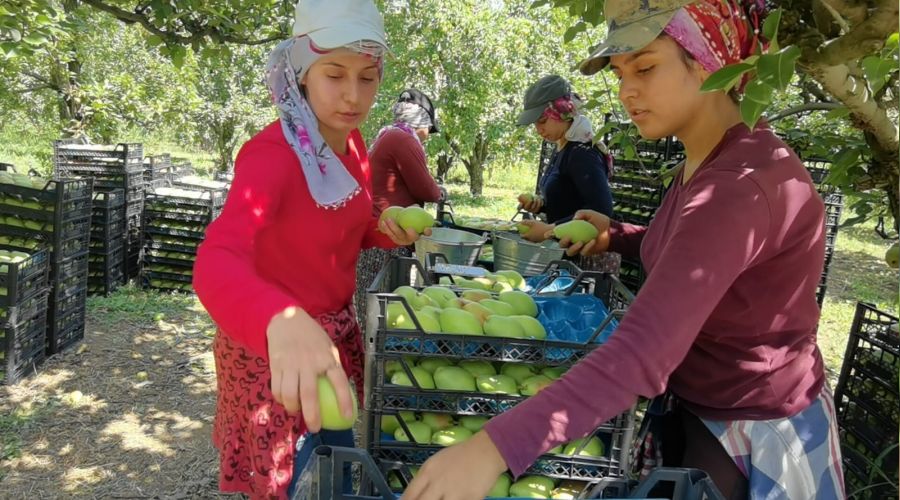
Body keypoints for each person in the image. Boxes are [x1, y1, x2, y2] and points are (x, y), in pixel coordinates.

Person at [402, 1, 845, 499]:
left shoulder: (738, 185)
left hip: (751, 429)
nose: (626, 90)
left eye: (645, 68)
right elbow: (692, 253)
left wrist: (493, 449)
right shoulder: (705, 158)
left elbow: (643, 352)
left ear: (707, 60)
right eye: (619, 73)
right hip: (703, 405)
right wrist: (617, 234)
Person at [192, 1, 424, 497]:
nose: (353, 95)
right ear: (302, 73)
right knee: (293, 480)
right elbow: (215, 260)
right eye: (334, 75)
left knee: (331, 470)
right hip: (275, 353)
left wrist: (386, 229)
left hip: (330, 341)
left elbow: (345, 224)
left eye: (367, 78)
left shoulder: (352, 144)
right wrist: (278, 318)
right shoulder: (272, 157)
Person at [354, 88, 444, 325]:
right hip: (385, 235)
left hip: (384, 230)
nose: (428, 135)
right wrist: (440, 192)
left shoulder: (390, 135)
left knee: (378, 309)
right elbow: (427, 190)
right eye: (429, 128)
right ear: (421, 122)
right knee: (381, 313)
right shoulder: (403, 140)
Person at [514, 74, 614, 244]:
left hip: (583, 253)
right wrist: (541, 205)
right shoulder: (562, 146)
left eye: (542, 121)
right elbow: (569, 202)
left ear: (561, 113)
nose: (538, 130)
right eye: (534, 124)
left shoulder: (582, 153)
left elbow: (601, 210)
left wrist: (549, 230)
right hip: (563, 248)